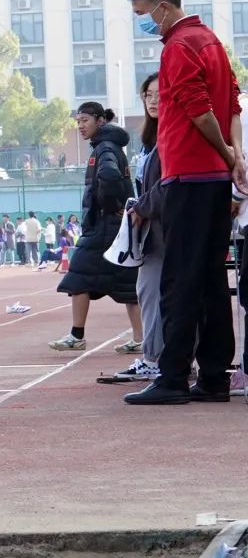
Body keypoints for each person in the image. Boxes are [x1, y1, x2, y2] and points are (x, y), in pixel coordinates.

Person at [125, 0, 246, 405]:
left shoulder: (178, 46)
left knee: (179, 279)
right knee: (211, 277)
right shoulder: (211, 40)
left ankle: (173, 376)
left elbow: (199, 109)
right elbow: (232, 102)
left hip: (188, 176)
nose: (142, 23)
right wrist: (235, 154)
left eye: (142, 14)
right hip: (211, 180)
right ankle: (213, 376)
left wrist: (229, 155)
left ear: (162, 7)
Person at [49, 103, 143, 353]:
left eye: (85, 120)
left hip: (104, 227)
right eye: (78, 121)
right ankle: (140, 338)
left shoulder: (105, 148)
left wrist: (111, 207)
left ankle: (77, 336)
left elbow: (109, 178)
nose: (80, 126)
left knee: (78, 276)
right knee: (128, 282)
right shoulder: (108, 146)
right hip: (112, 226)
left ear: (100, 120)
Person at [113, 73, 163, 382]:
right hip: (150, 229)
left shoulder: (170, 135)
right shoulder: (148, 139)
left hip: (164, 229)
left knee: (152, 292)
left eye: (160, 94)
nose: (154, 100)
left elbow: (167, 184)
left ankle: (155, 359)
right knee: (149, 291)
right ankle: (161, 357)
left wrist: (142, 207)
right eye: (148, 94)